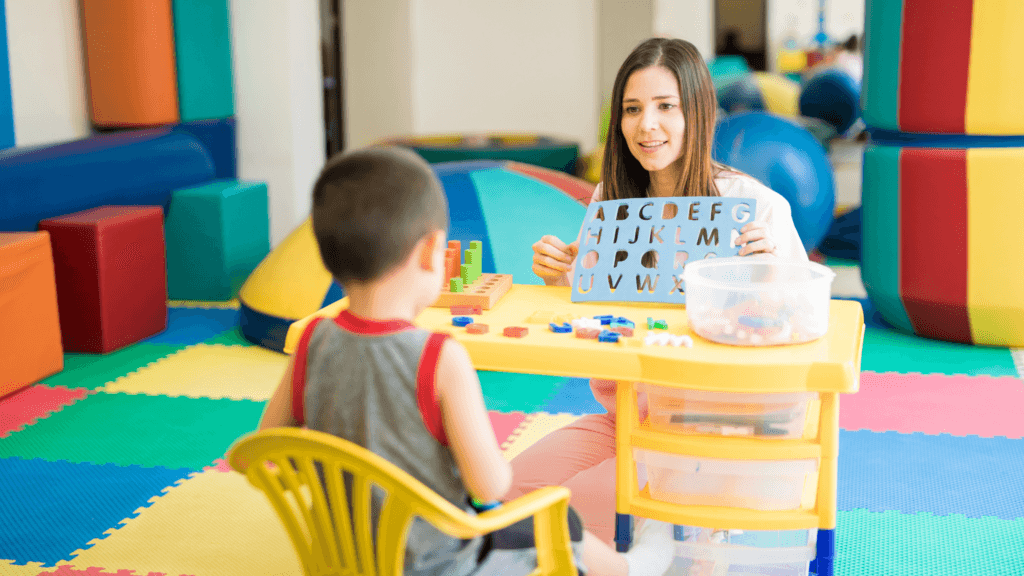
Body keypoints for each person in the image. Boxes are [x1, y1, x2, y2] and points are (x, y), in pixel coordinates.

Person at [259, 147, 674, 576]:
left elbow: (268, 446)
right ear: (431, 251)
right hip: (440, 561)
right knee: (558, 525)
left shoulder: (311, 340)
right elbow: (490, 486)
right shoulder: (438, 357)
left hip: (343, 555)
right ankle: (634, 568)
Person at [516, 37, 809, 545]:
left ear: (698, 112)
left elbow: (808, 327)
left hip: (718, 430)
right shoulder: (612, 202)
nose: (646, 125)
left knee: (575, 526)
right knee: (505, 496)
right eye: (632, 109)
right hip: (627, 415)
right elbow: (602, 309)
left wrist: (774, 278)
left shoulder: (755, 205)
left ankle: (696, 543)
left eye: (665, 106)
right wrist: (561, 275)